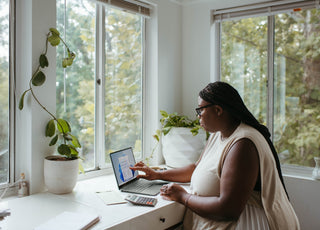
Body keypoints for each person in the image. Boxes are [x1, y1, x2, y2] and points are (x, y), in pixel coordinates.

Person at [131, 81, 300, 230]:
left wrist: (183, 196)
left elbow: (228, 210)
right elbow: (196, 168)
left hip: (247, 223)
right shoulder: (219, 134)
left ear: (218, 110)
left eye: (200, 110)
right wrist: (158, 175)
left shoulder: (243, 144)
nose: (198, 116)